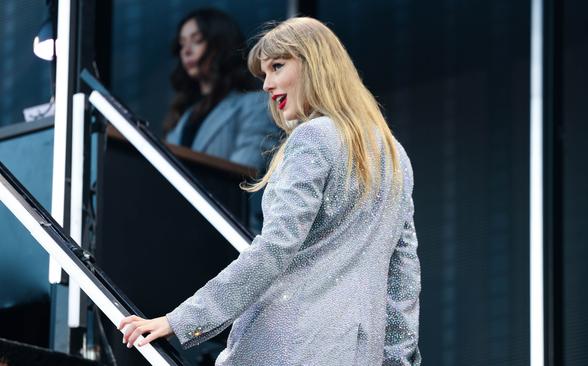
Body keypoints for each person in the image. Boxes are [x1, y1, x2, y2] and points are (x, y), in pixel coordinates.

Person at [119, 17, 421, 365]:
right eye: (264, 74)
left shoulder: (314, 137)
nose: (266, 85)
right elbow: (403, 286)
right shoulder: (396, 157)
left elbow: (274, 248)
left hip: (288, 346)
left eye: (278, 66)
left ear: (316, 64)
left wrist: (183, 320)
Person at [164, 8, 279, 174]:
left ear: (220, 45)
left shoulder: (256, 104)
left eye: (197, 40)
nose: (186, 51)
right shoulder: (184, 115)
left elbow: (244, 171)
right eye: (182, 44)